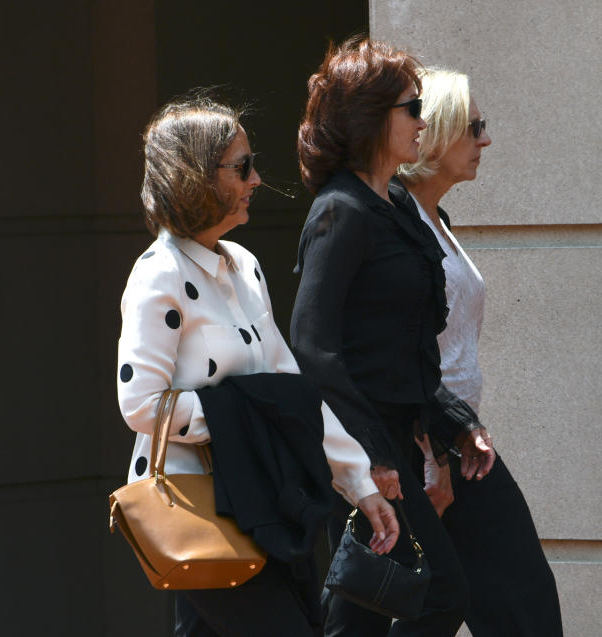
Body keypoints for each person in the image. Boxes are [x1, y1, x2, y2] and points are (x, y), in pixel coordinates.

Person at [116, 94, 398, 637]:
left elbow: (290, 391)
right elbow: (140, 404)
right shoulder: (159, 273)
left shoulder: (244, 265)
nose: (257, 180)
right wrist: (240, 420)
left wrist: (358, 481)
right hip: (196, 509)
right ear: (195, 176)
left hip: (261, 500)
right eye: (241, 167)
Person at [291, 38, 495, 637]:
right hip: (360, 446)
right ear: (373, 117)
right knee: (437, 592)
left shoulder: (395, 207)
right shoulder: (340, 211)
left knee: (370, 606)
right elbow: (312, 344)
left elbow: (408, 345)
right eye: (412, 108)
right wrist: (370, 455)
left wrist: (454, 423)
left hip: (397, 439)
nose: (423, 123)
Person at [396, 69, 564, 636]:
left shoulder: (435, 220)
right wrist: (433, 459)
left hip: (460, 442)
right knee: (441, 606)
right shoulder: (394, 219)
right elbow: (395, 355)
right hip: (428, 452)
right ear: (439, 134)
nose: (485, 141)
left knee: (517, 603)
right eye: (475, 127)